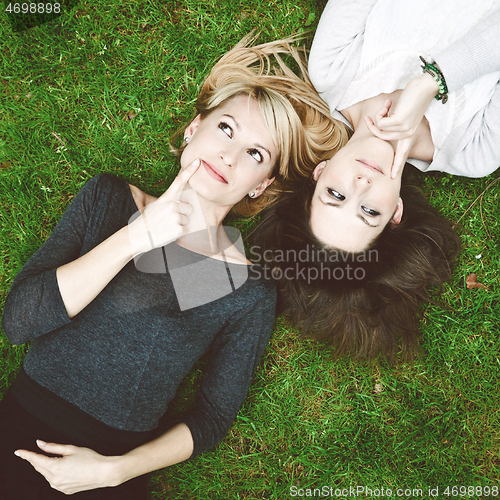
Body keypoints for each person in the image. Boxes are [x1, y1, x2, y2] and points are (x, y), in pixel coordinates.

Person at [0, 36, 347, 499]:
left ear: (260, 185)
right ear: (193, 129)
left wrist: (115, 471)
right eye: (226, 129)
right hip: (19, 438)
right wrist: (135, 238)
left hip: (111, 470)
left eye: (256, 154)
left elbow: (212, 417)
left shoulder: (244, 288)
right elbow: (19, 322)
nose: (230, 155)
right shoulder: (108, 201)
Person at [250, 0, 500, 360]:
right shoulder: (474, 150)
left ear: (319, 173)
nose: (362, 183)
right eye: (368, 211)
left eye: (335, 194)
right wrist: (432, 82)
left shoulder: (333, 71)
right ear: (395, 214)